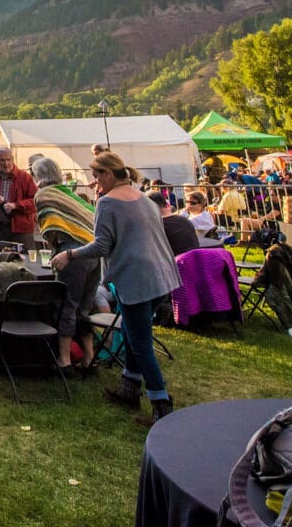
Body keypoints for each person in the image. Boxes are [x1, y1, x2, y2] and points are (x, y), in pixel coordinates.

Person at [52, 151, 182, 426]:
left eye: (97, 176)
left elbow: (101, 245)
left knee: (140, 342)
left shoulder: (109, 203)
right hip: (162, 277)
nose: (94, 183)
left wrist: (70, 255)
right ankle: (129, 387)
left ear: (109, 174)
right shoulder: (144, 199)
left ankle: (161, 403)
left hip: (136, 279)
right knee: (134, 331)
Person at [32, 156, 100, 372]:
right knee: (85, 307)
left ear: (38, 176)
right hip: (93, 251)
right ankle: (89, 357)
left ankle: (64, 359)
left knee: (66, 305)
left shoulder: (44, 194)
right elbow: (89, 216)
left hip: (72, 253)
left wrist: (57, 247)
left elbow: (49, 227)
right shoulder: (69, 192)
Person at [0, 148, 37, 250]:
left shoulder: (25, 177)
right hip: (0, 226)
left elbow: (35, 201)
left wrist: (16, 205)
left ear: (13, 159)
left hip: (22, 228)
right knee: (2, 261)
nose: (6, 163)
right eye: (2, 160)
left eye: (8, 159)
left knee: (26, 261)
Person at [151, 191, 200, 256]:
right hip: (194, 261)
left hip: (176, 263)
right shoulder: (184, 220)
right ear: (166, 204)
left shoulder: (159, 225)